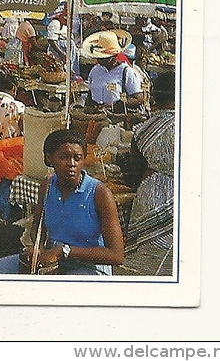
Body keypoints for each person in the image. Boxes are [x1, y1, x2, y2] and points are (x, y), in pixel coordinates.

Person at [24, 129, 125, 275]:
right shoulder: (47, 187)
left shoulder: (99, 193)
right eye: (64, 157)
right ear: (49, 158)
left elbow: (116, 255)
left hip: (90, 268)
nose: (71, 163)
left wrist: (64, 251)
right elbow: (39, 227)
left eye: (77, 158)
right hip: (55, 263)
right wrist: (38, 248)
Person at [122, 94, 175, 275]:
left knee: (146, 259)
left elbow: (135, 170)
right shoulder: (194, 126)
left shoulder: (145, 128)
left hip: (150, 194)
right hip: (184, 194)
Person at [82, 31, 145, 117]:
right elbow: (90, 92)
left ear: (114, 56)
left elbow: (138, 99)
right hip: (97, 117)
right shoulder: (94, 71)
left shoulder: (127, 72)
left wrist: (118, 104)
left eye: (104, 58)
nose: (99, 60)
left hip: (118, 118)